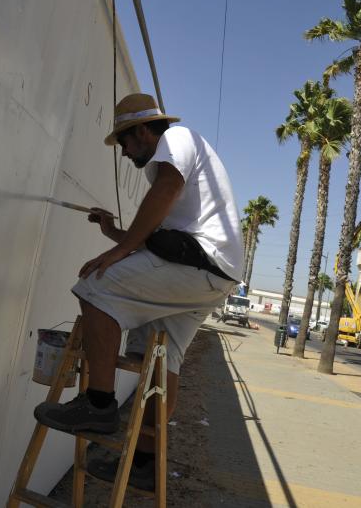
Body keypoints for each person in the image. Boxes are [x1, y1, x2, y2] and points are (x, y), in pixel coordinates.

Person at [34, 93, 243, 490]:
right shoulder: (169, 160)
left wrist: (120, 248)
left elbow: (165, 190)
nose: (125, 152)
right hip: (209, 273)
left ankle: (98, 405)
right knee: (163, 360)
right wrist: (115, 233)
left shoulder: (177, 140)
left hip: (201, 265)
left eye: (126, 142)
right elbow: (160, 236)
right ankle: (146, 462)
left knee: (95, 286)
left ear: (144, 130)